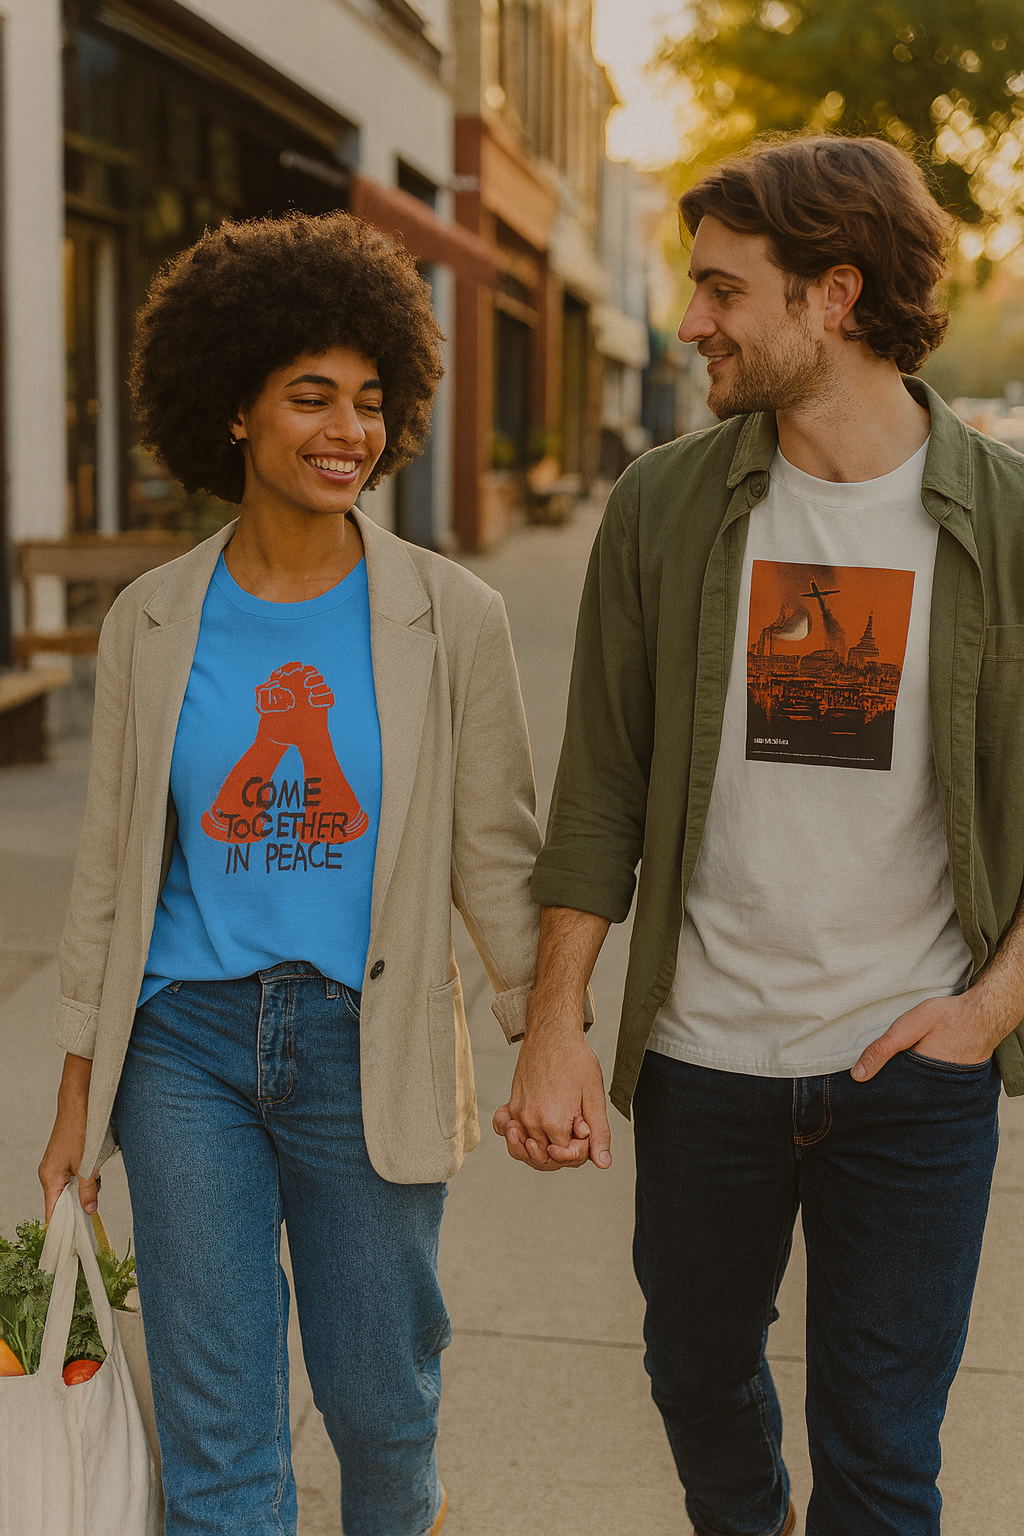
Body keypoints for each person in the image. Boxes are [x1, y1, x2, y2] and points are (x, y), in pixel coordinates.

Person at [494, 134, 1024, 1536]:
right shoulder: (665, 506)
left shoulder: (1008, 523)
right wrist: (558, 1021)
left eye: (724, 290)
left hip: (910, 1073)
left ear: (831, 296)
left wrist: (991, 1009)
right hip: (706, 1065)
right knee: (696, 1380)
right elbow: (602, 781)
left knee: (884, 1458)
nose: (690, 322)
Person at [38, 210, 542, 1536]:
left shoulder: (452, 619)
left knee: (384, 1414)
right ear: (232, 413)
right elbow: (108, 874)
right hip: (183, 1050)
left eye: (369, 402)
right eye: (309, 396)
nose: (347, 430)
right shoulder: (151, 618)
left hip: (364, 1043)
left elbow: (497, 848)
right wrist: (77, 1099)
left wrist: (547, 1031)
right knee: (220, 1436)